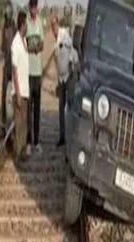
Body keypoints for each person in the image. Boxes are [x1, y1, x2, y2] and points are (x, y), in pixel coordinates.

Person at [43, 17, 78, 146]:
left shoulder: (65, 36)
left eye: (54, 25)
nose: (53, 28)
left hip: (68, 78)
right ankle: (62, 137)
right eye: (51, 26)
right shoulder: (55, 42)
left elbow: (73, 54)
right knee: (61, 108)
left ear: (58, 24)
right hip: (61, 80)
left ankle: (70, 138)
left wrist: (72, 67)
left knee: (68, 109)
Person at [26, 0, 44, 155]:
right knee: (28, 110)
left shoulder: (39, 22)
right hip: (28, 72)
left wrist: (37, 46)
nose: (34, 9)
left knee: (37, 110)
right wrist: (31, 47)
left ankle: (36, 141)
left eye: (35, 6)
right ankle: (27, 141)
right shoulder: (25, 23)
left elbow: (42, 44)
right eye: (32, 6)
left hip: (38, 72)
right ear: (29, 7)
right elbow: (26, 45)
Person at [12, 10, 30, 158]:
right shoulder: (15, 44)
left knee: (24, 124)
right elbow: (14, 70)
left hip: (26, 90)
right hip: (19, 91)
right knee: (19, 125)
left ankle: (23, 151)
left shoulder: (24, 41)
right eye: (26, 24)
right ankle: (18, 154)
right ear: (22, 25)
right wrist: (17, 93)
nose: (28, 27)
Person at [0, 2, 15, 129]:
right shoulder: (4, 27)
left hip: (14, 63)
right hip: (6, 64)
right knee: (4, 91)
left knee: (14, 93)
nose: (6, 18)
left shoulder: (15, 27)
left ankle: (14, 118)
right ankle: (4, 120)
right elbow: (2, 47)